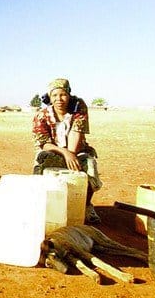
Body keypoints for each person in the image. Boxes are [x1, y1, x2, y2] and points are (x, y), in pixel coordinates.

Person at [32, 77, 103, 225]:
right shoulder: (41, 115)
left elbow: (76, 135)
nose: (59, 99)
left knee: (89, 166)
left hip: (77, 149)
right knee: (40, 166)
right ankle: (41, 205)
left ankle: (86, 206)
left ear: (69, 95)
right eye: (54, 95)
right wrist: (65, 153)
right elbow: (44, 143)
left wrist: (71, 154)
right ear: (49, 98)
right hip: (53, 150)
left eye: (63, 94)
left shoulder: (79, 108)